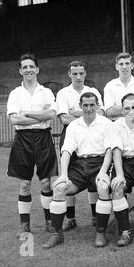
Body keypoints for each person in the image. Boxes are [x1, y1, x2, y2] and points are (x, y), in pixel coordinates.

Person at [42, 92, 113, 248]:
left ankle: (100, 233)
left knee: (102, 187)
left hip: (100, 163)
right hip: (80, 165)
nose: (88, 109)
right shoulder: (74, 125)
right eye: (85, 105)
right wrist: (64, 175)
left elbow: (109, 150)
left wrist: (103, 171)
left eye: (92, 105)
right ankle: (57, 234)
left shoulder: (106, 123)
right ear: (80, 106)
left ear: (98, 106)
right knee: (59, 188)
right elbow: (66, 151)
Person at [6, 53, 58, 237]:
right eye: (24, 67)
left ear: (37, 69)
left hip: (43, 137)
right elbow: (14, 120)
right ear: (20, 70)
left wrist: (26, 113)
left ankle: (50, 222)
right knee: (25, 183)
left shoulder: (46, 92)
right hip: (23, 140)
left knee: (45, 182)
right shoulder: (15, 94)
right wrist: (38, 114)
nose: (28, 70)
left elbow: (51, 115)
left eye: (31, 66)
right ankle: (25, 225)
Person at [98, 93, 134, 246]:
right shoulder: (115, 125)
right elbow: (116, 151)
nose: (130, 111)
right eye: (127, 108)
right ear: (122, 110)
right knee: (117, 187)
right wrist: (119, 175)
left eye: (133, 107)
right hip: (124, 163)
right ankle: (125, 232)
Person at [55, 60, 104, 232]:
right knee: (69, 176)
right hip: (71, 134)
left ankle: (95, 216)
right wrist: (86, 115)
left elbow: (102, 113)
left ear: (85, 73)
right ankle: (71, 218)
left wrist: (77, 112)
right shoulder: (63, 93)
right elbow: (64, 119)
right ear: (69, 74)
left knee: (92, 175)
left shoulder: (93, 91)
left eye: (81, 73)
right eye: (74, 73)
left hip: (90, 135)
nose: (78, 76)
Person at [104, 52, 134, 121]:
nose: (124, 67)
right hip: (117, 126)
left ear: (132, 66)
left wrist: (119, 110)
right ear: (116, 67)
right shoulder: (110, 86)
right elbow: (109, 113)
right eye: (121, 64)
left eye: (127, 63)